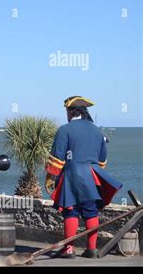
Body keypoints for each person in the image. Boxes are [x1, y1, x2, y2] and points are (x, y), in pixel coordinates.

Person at [45, 96, 122, 259]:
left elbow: (57, 158)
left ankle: (69, 249)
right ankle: (92, 249)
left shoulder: (64, 130)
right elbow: (102, 160)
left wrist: (50, 177)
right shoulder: (97, 131)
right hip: (92, 176)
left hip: (72, 175)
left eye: (67, 111)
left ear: (71, 112)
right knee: (90, 211)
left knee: (70, 211)